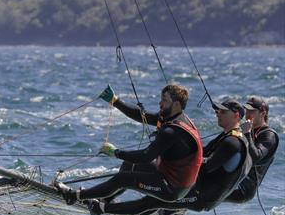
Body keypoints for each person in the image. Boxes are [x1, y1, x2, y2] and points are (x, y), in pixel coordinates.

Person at [89, 99, 252, 215]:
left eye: (222, 111)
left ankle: (102, 209)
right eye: (217, 111)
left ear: (236, 115)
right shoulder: (227, 136)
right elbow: (200, 153)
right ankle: (109, 200)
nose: (218, 114)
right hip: (195, 187)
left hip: (201, 197)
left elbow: (205, 166)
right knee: (135, 165)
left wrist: (174, 158)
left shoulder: (233, 142)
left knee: (153, 201)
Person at [55, 84, 202, 205]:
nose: (160, 103)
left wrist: (116, 152)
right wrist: (115, 101)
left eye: (164, 100)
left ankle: (74, 196)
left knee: (122, 179)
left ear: (176, 104)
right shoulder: (174, 117)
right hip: (169, 176)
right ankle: (104, 199)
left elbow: (145, 156)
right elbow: (143, 116)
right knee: (129, 165)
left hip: (172, 189)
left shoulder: (172, 130)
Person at [224, 96, 279, 203]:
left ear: (263, 113)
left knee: (201, 192)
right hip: (232, 180)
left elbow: (256, 157)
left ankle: (180, 214)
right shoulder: (245, 130)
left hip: (244, 189)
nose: (248, 113)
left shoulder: (269, 135)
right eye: (247, 110)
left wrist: (247, 133)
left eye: (252, 111)